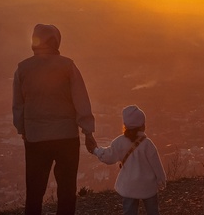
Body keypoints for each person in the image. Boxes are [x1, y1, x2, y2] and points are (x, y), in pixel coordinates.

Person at [12, 24, 97, 215]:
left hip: (35, 139)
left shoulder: (23, 69)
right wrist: (88, 132)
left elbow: (18, 106)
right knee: (67, 190)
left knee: (34, 191)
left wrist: (23, 130)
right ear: (56, 41)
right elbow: (81, 99)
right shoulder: (68, 66)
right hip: (67, 138)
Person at [93, 105, 166, 215]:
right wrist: (161, 180)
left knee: (129, 211)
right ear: (142, 125)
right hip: (148, 185)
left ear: (125, 125)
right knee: (153, 211)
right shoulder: (147, 144)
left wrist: (96, 151)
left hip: (129, 186)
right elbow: (156, 164)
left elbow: (109, 157)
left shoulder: (119, 142)